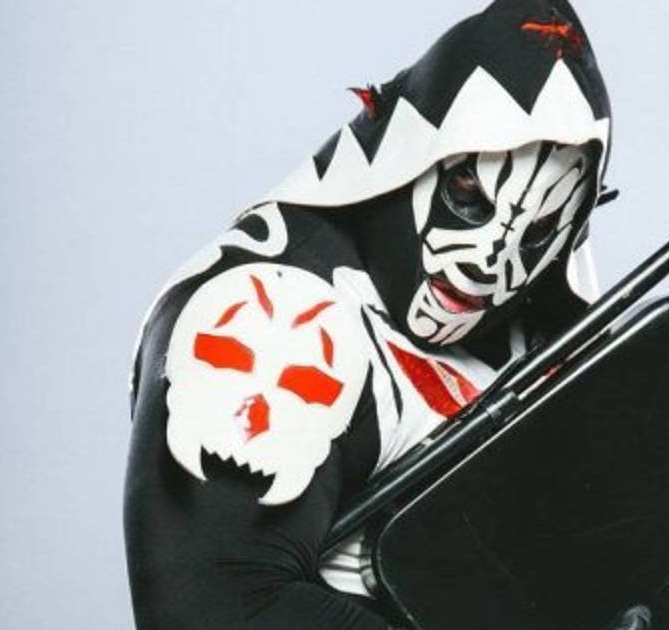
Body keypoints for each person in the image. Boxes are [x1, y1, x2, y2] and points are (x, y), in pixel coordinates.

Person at [124, 0, 615, 627]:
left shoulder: (544, 326)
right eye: (468, 193)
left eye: (539, 230)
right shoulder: (271, 311)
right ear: (415, 154)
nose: (490, 262)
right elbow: (213, 607)